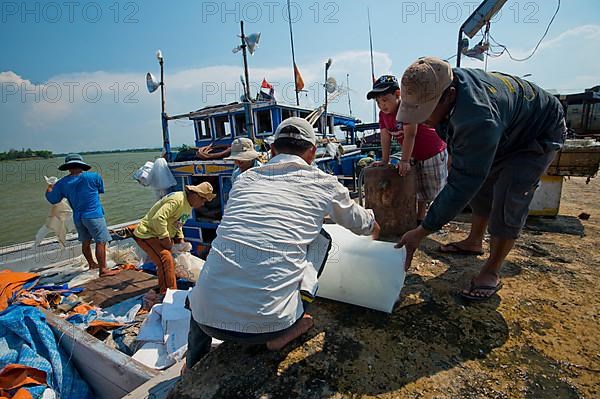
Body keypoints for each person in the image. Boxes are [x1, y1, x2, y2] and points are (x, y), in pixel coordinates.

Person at [184, 117, 380, 369]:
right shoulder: (324, 183)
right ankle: (290, 328)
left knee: (205, 285)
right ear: (311, 153)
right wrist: (377, 228)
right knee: (321, 238)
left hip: (204, 319)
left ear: (273, 150)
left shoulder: (244, 180)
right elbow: (363, 224)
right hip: (270, 326)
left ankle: (193, 364)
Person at [395, 57, 566, 301]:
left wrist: (422, 231)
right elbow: (461, 152)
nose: (421, 119)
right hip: (504, 127)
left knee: (510, 194)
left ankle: (492, 269)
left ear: (450, 95)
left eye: (425, 110)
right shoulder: (442, 83)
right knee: (481, 185)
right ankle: (474, 241)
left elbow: (463, 182)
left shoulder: (478, 117)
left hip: (535, 132)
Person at [368, 75, 449, 224]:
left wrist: (404, 160)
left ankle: (437, 220)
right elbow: (385, 137)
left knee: (436, 190)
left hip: (432, 151)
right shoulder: (383, 115)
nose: (382, 105)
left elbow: (411, 134)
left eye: (385, 100)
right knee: (418, 189)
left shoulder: (406, 108)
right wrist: (384, 160)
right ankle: (420, 218)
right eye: (378, 102)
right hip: (414, 155)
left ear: (397, 94)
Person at [133, 183, 216, 294]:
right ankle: (168, 292)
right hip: (148, 233)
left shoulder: (188, 206)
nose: (203, 204)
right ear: (196, 195)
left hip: (160, 234)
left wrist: (180, 239)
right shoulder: (177, 200)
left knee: (172, 260)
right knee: (165, 259)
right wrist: (165, 238)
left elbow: (178, 224)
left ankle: (168, 283)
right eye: (203, 200)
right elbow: (158, 218)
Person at [45, 154, 118, 277]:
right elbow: (100, 190)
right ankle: (103, 270)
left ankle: (92, 264)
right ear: (82, 166)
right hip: (94, 215)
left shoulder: (62, 183)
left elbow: (53, 200)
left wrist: (49, 188)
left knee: (85, 242)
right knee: (101, 242)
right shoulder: (93, 177)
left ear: (68, 168)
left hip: (78, 217)